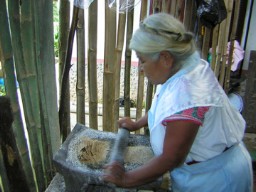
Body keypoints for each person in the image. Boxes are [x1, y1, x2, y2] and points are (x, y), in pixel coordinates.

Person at [102, 13, 253, 192]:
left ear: (165, 58)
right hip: (200, 172)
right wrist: (137, 124)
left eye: (142, 61)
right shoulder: (184, 67)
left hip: (216, 180)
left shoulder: (189, 95)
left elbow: (172, 157)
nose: (141, 69)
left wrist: (125, 179)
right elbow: (163, 103)